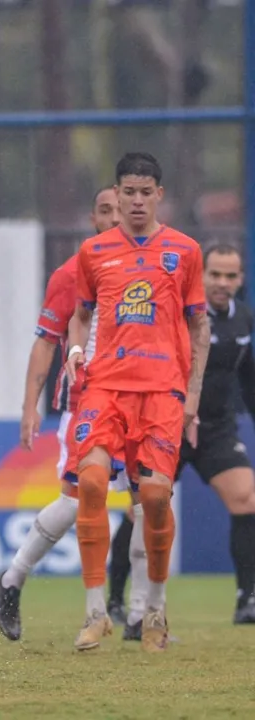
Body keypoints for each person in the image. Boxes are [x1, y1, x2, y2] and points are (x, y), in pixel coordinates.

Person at [66, 152, 209, 653]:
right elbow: (80, 316)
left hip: (161, 391)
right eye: (129, 192)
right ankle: (95, 613)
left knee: (152, 498)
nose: (138, 201)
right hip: (105, 386)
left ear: (159, 196)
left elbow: (199, 326)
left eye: (146, 192)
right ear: (118, 194)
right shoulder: (94, 252)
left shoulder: (185, 252)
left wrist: (191, 394)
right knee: (88, 483)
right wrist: (76, 349)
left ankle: (155, 612)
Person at [0, 187, 148, 641]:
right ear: (93, 218)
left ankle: (140, 617)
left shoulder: (154, 267)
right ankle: (12, 578)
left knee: (148, 507)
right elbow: (46, 340)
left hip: (143, 403)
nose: (115, 216)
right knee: (76, 502)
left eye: (122, 209)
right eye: (105, 210)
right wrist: (29, 406)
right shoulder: (73, 272)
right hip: (89, 403)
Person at [177, 243, 255, 623]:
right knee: (143, 512)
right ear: (202, 275)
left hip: (218, 431)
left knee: (249, 501)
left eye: (231, 275)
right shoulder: (180, 315)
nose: (223, 283)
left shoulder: (244, 319)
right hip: (171, 426)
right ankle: (117, 605)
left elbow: (249, 379)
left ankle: (247, 600)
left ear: (240, 279)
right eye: (215, 275)